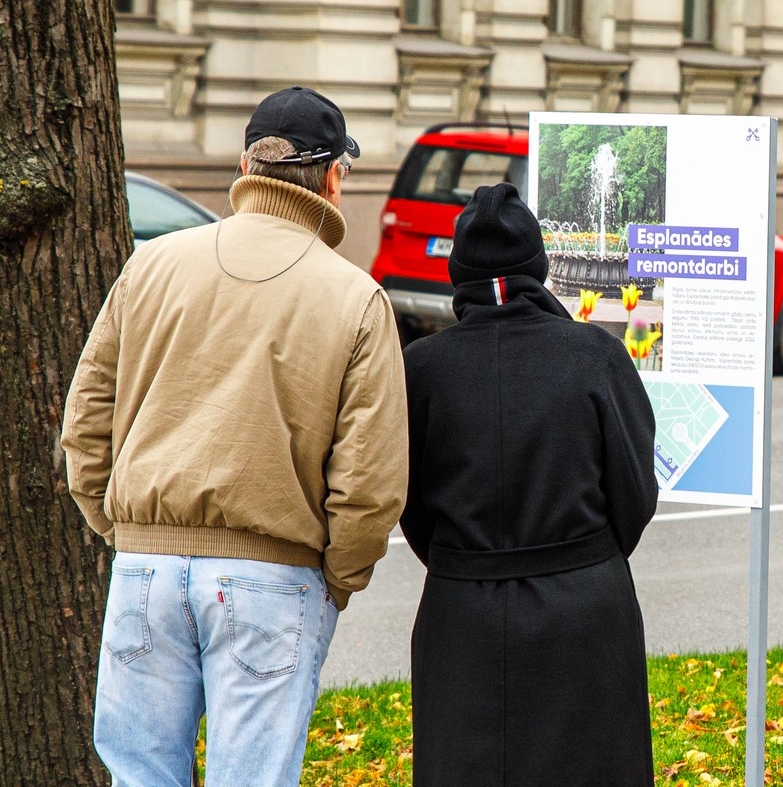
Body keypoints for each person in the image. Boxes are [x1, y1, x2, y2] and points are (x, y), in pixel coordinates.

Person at [61, 85, 409, 787]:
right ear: (334, 176)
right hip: (274, 573)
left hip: (145, 566)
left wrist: (120, 527)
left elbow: (86, 421)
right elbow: (369, 477)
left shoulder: (152, 265)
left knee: (139, 774)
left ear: (245, 167)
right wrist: (337, 576)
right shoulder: (352, 296)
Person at [399, 182, 658, 786]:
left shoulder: (422, 368)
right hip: (584, 611)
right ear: (538, 267)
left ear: (457, 271)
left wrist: (464, 557)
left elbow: (408, 504)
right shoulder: (596, 355)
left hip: (463, 611)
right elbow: (634, 494)